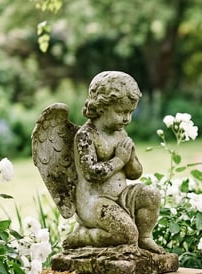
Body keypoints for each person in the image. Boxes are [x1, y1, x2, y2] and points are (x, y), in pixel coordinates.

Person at [69, 70, 163, 252]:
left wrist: (130, 159)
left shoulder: (120, 133)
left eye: (130, 112)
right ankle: (83, 236)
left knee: (151, 195)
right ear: (101, 107)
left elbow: (135, 174)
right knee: (126, 234)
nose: (127, 118)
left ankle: (144, 237)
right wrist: (120, 159)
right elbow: (91, 173)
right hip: (94, 202)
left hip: (121, 196)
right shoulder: (86, 135)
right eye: (120, 112)